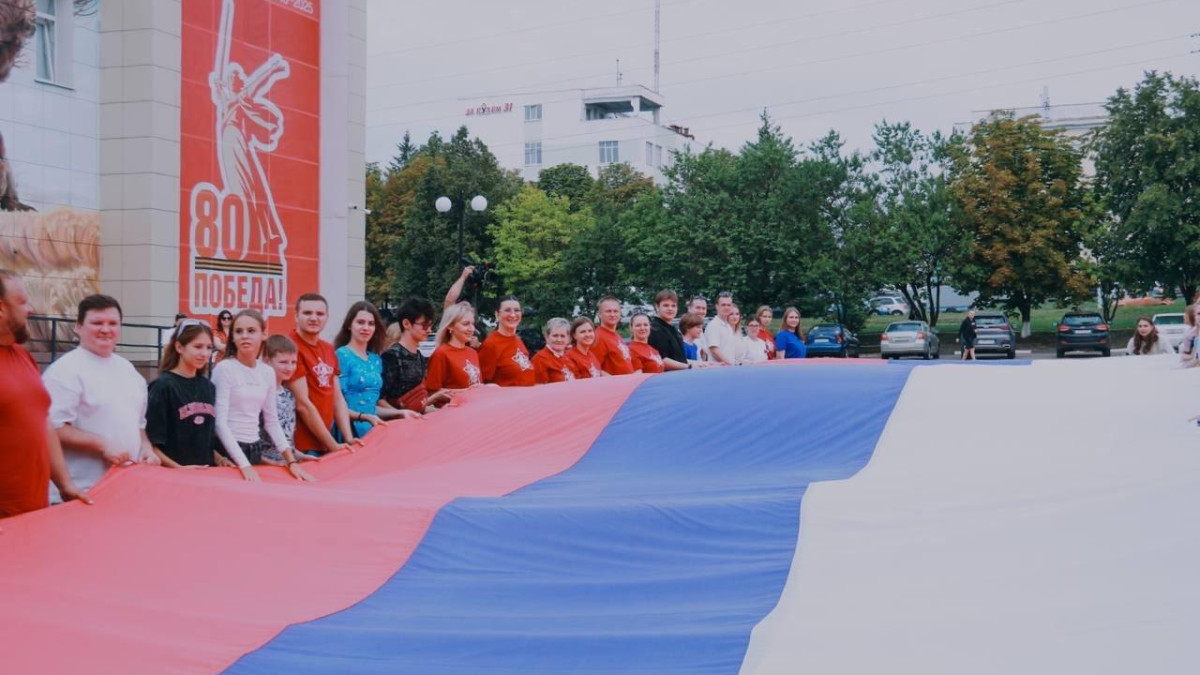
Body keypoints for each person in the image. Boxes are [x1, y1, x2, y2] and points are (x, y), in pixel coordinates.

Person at [45, 294, 160, 499]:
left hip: (125, 489)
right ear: (78, 327)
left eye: (112, 323)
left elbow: (139, 425)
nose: (106, 329)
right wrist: (102, 444)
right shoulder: (64, 371)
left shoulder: (129, 370)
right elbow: (52, 428)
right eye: (97, 323)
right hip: (80, 491)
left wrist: (146, 448)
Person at [0, 270, 89, 517]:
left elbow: (43, 421)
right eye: (22, 302)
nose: (30, 309)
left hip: (33, 512)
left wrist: (65, 484)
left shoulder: (22, 355)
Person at [213, 310, 311, 482]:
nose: (244, 336)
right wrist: (244, 465)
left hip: (255, 450)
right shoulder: (224, 369)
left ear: (264, 334)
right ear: (232, 337)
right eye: (239, 331)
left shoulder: (266, 372)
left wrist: (291, 461)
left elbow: (272, 422)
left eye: (251, 331)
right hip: (228, 452)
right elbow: (219, 423)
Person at [334, 301, 417, 440]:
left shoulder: (375, 360)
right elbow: (336, 403)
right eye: (360, 322)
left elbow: (371, 408)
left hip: (372, 430)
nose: (366, 328)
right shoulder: (341, 355)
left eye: (371, 324)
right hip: (347, 431)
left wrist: (399, 413)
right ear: (349, 325)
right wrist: (364, 417)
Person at [287, 294, 355, 455]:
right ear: (296, 316)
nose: (314, 318)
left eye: (319, 314)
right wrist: (333, 446)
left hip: (326, 441)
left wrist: (349, 439)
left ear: (326, 317)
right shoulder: (289, 347)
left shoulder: (329, 349)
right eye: (307, 313)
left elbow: (337, 398)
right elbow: (302, 404)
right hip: (300, 446)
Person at [146, 320, 218, 468]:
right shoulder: (162, 386)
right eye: (198, 346)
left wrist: (219, 458)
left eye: (209, 347)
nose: (205, 353)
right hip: (173, 476)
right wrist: (180, 469)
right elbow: (151, 443)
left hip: (206, 474)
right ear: (179, 347)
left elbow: (207, 440)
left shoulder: (209, 387)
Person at [381, 298, 453, 412]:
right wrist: (400, 414)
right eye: (424, 326)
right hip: (397, 420)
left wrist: (435, 400)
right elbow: (379, 399)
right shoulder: (392, 356)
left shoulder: (419, 356)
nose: (429, 330)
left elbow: (417, 403)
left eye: (430, 326)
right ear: (406, 324)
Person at [260, 335, 317, 476]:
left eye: (293, 362)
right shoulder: (258, 394)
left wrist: (297, 455)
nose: (290, 368)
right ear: (266, 361)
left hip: (288, 465)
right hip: (264, 467)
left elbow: (286, 437)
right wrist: (265, 461)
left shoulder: (289, 395)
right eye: (283, 362)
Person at [424, 301, 485, 391]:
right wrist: (466, 391)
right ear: (450, 326)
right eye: (465, 324)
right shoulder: (441, 354)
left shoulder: (473, 353)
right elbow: (432, 392)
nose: (471, 329)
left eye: (473, 324)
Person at [479, 296, 536, 386]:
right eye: (507, 310)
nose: (513, 315)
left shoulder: (518, 340)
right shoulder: (491, 344)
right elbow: (484, 382)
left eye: (517, 310)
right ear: (497, 315)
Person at [646, 289, 691, 371]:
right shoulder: (654, 329)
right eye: (666, 305)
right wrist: (688, 367)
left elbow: (680, 359)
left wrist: (703, 364)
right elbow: (661, 360)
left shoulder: (673, 330)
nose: (670, 309)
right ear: (657, 307)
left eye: (673, 306)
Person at [592, 296, 634, 375]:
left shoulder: (617, 336)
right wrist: (613, 380)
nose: (612, 314)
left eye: (616, 311)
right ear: (599, 314)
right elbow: (594, 368)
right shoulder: (598, 336)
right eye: (608, 311)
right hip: (614, 382)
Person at [532, 317, 576, 384]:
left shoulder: (569, 357)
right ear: (547, 337)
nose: (559, 340)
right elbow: (540, 388)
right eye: (555, 336)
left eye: (562, 336)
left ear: (569, 339)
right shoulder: (540, 359)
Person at [704, 292, 738, 366]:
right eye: (723, 305)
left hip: (728, 369)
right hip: (718, 369)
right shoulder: (713, 325)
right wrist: (731, 365)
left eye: (728, 305)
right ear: (717, 306)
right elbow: (714, 352)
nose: (726, 307)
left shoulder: (728, 326)